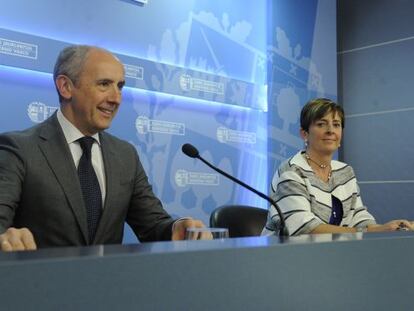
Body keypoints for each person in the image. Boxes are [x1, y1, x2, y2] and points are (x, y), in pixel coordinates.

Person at [0, 45, 205, 251]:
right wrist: (6, 238)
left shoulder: (125, 156)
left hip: (108, 282)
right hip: (39, 281)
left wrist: (176, 227)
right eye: (104, 84)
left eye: (120, 86)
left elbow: (153, 225)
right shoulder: (20, 149)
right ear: (65, 87)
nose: (116, 98)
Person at [262, 98, 413, 236]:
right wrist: (368, 232)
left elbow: (359, 217)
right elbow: (305, 228)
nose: (330, 130)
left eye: (336, 124)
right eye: (321, 124)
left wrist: (389, 229)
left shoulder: (345, 171)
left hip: (331, 253)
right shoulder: (291, 171)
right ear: (304, 134)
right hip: (286, 256)